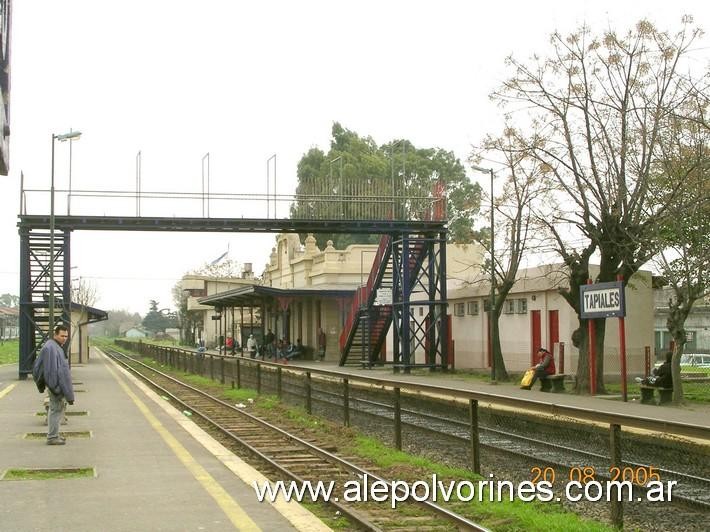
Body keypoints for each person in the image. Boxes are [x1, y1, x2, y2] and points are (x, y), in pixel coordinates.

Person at [40, 324, 75, 445]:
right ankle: (52, 437)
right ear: (55, 335)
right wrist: (56, 388)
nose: (64, 338)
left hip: (56, 386)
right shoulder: (51, 348)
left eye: (66, 336)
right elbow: (51, 371)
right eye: (62, 336)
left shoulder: (55, 346)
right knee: (55, 410)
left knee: (56, 410)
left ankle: (54, 435)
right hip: (55, 387)